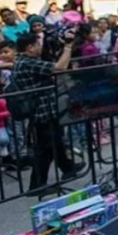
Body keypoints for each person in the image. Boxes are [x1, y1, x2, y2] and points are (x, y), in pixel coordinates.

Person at [12, 32, 85, 190]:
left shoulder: (24, 60)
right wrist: (67, 46)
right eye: (38, 45)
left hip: (46, 108)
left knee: (56, 141)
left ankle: (67, 168)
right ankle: (37, 185)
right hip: (41, 110)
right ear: (30, 47)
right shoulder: (27, 62)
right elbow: (59, 68)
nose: (40, 47)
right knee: (45, 148)